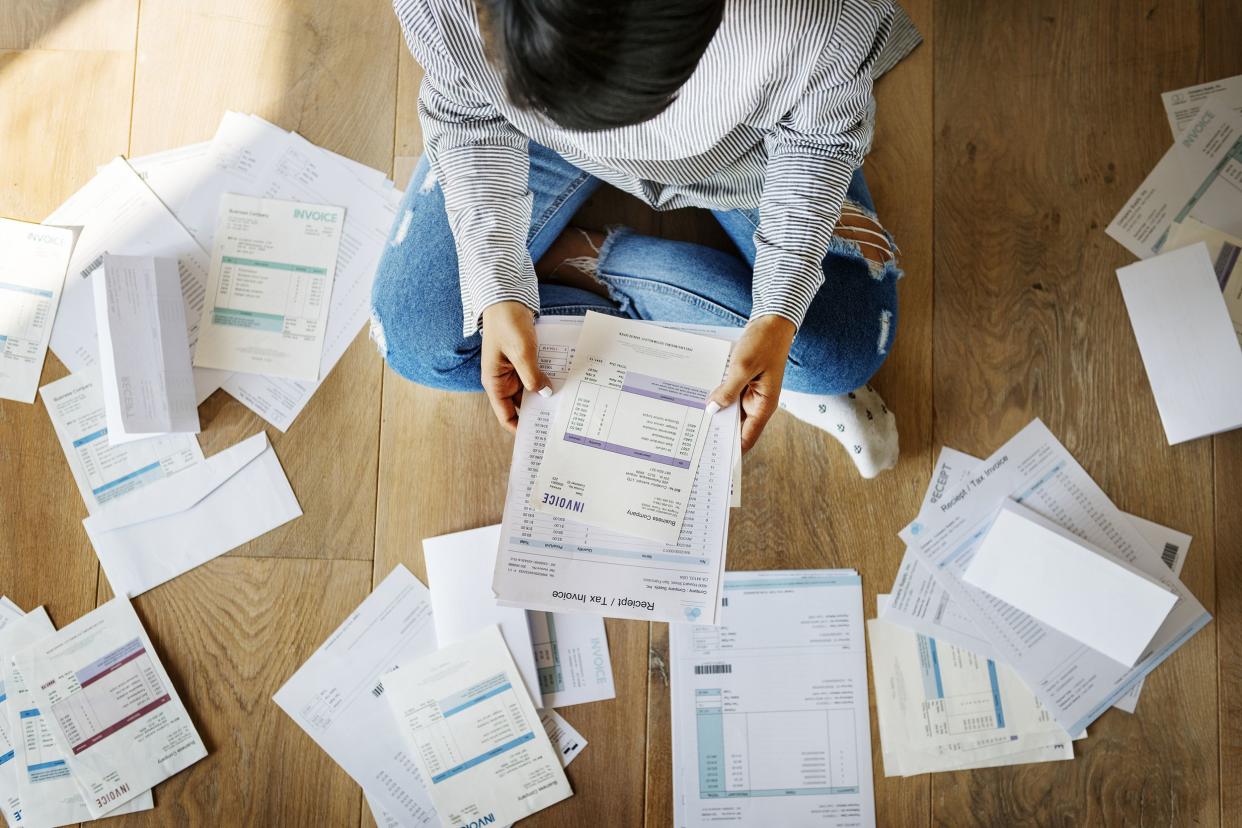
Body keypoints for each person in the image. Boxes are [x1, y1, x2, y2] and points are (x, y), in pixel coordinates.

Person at [372, 0, 903, 476]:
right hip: (534, 140)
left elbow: (818, 140)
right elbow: (467, 115)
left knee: (845, 351)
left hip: (743, 154)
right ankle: (732, 349)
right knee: (417, 339)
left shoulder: (818, 18)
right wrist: (496, 283)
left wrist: (778, 313)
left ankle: (580, 258)